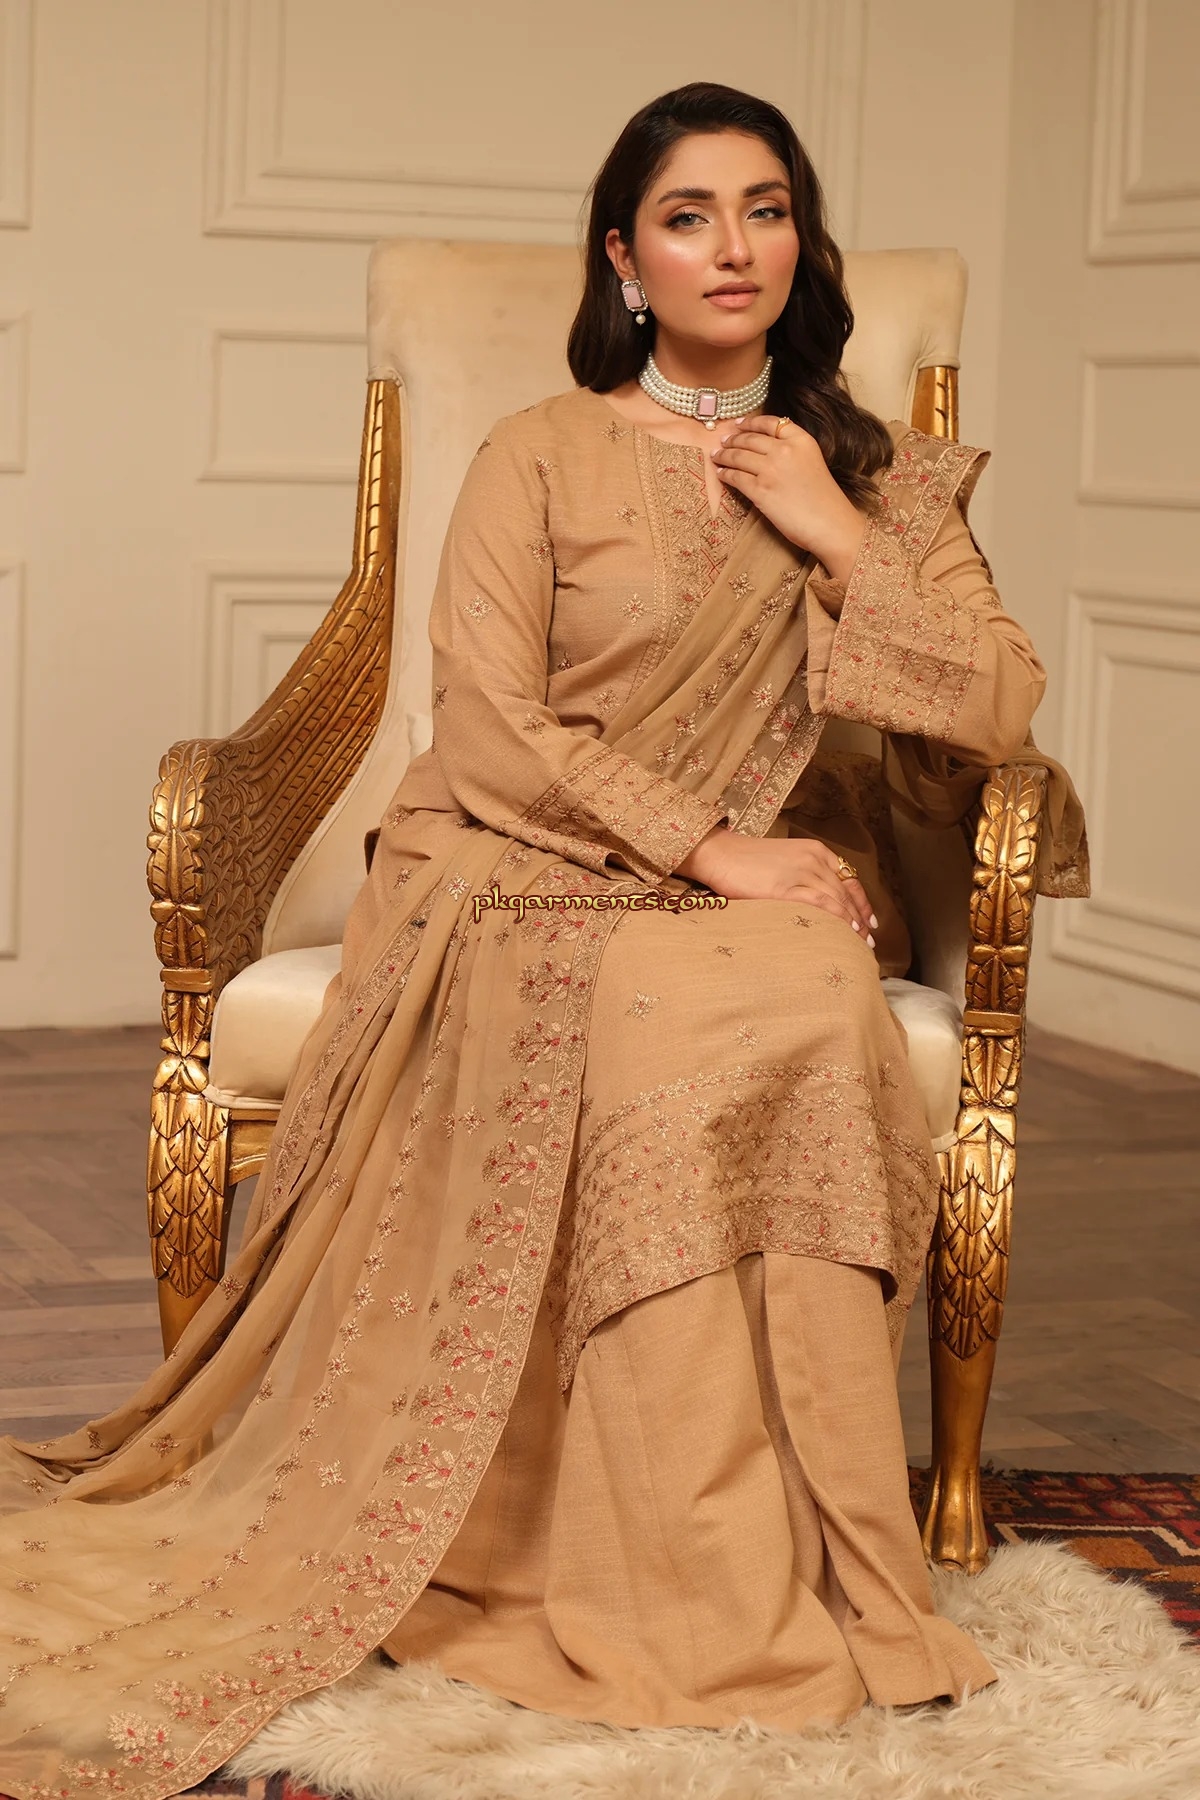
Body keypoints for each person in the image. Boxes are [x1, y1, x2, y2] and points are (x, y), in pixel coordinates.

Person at [0, 82, 1086, 1798]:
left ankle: (827, 1561)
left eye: (767, 209)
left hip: (768, 901)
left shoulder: (874, 475)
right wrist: (710, 849)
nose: (733, 246)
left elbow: (1000, 702)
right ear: (625, 260)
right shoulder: (541, 452)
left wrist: (833, 527)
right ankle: (655, 1572)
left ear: (804, 247)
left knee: (817, 1014)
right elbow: (489, 724)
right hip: (523, 864)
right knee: (682, 1029)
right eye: (688, 215)